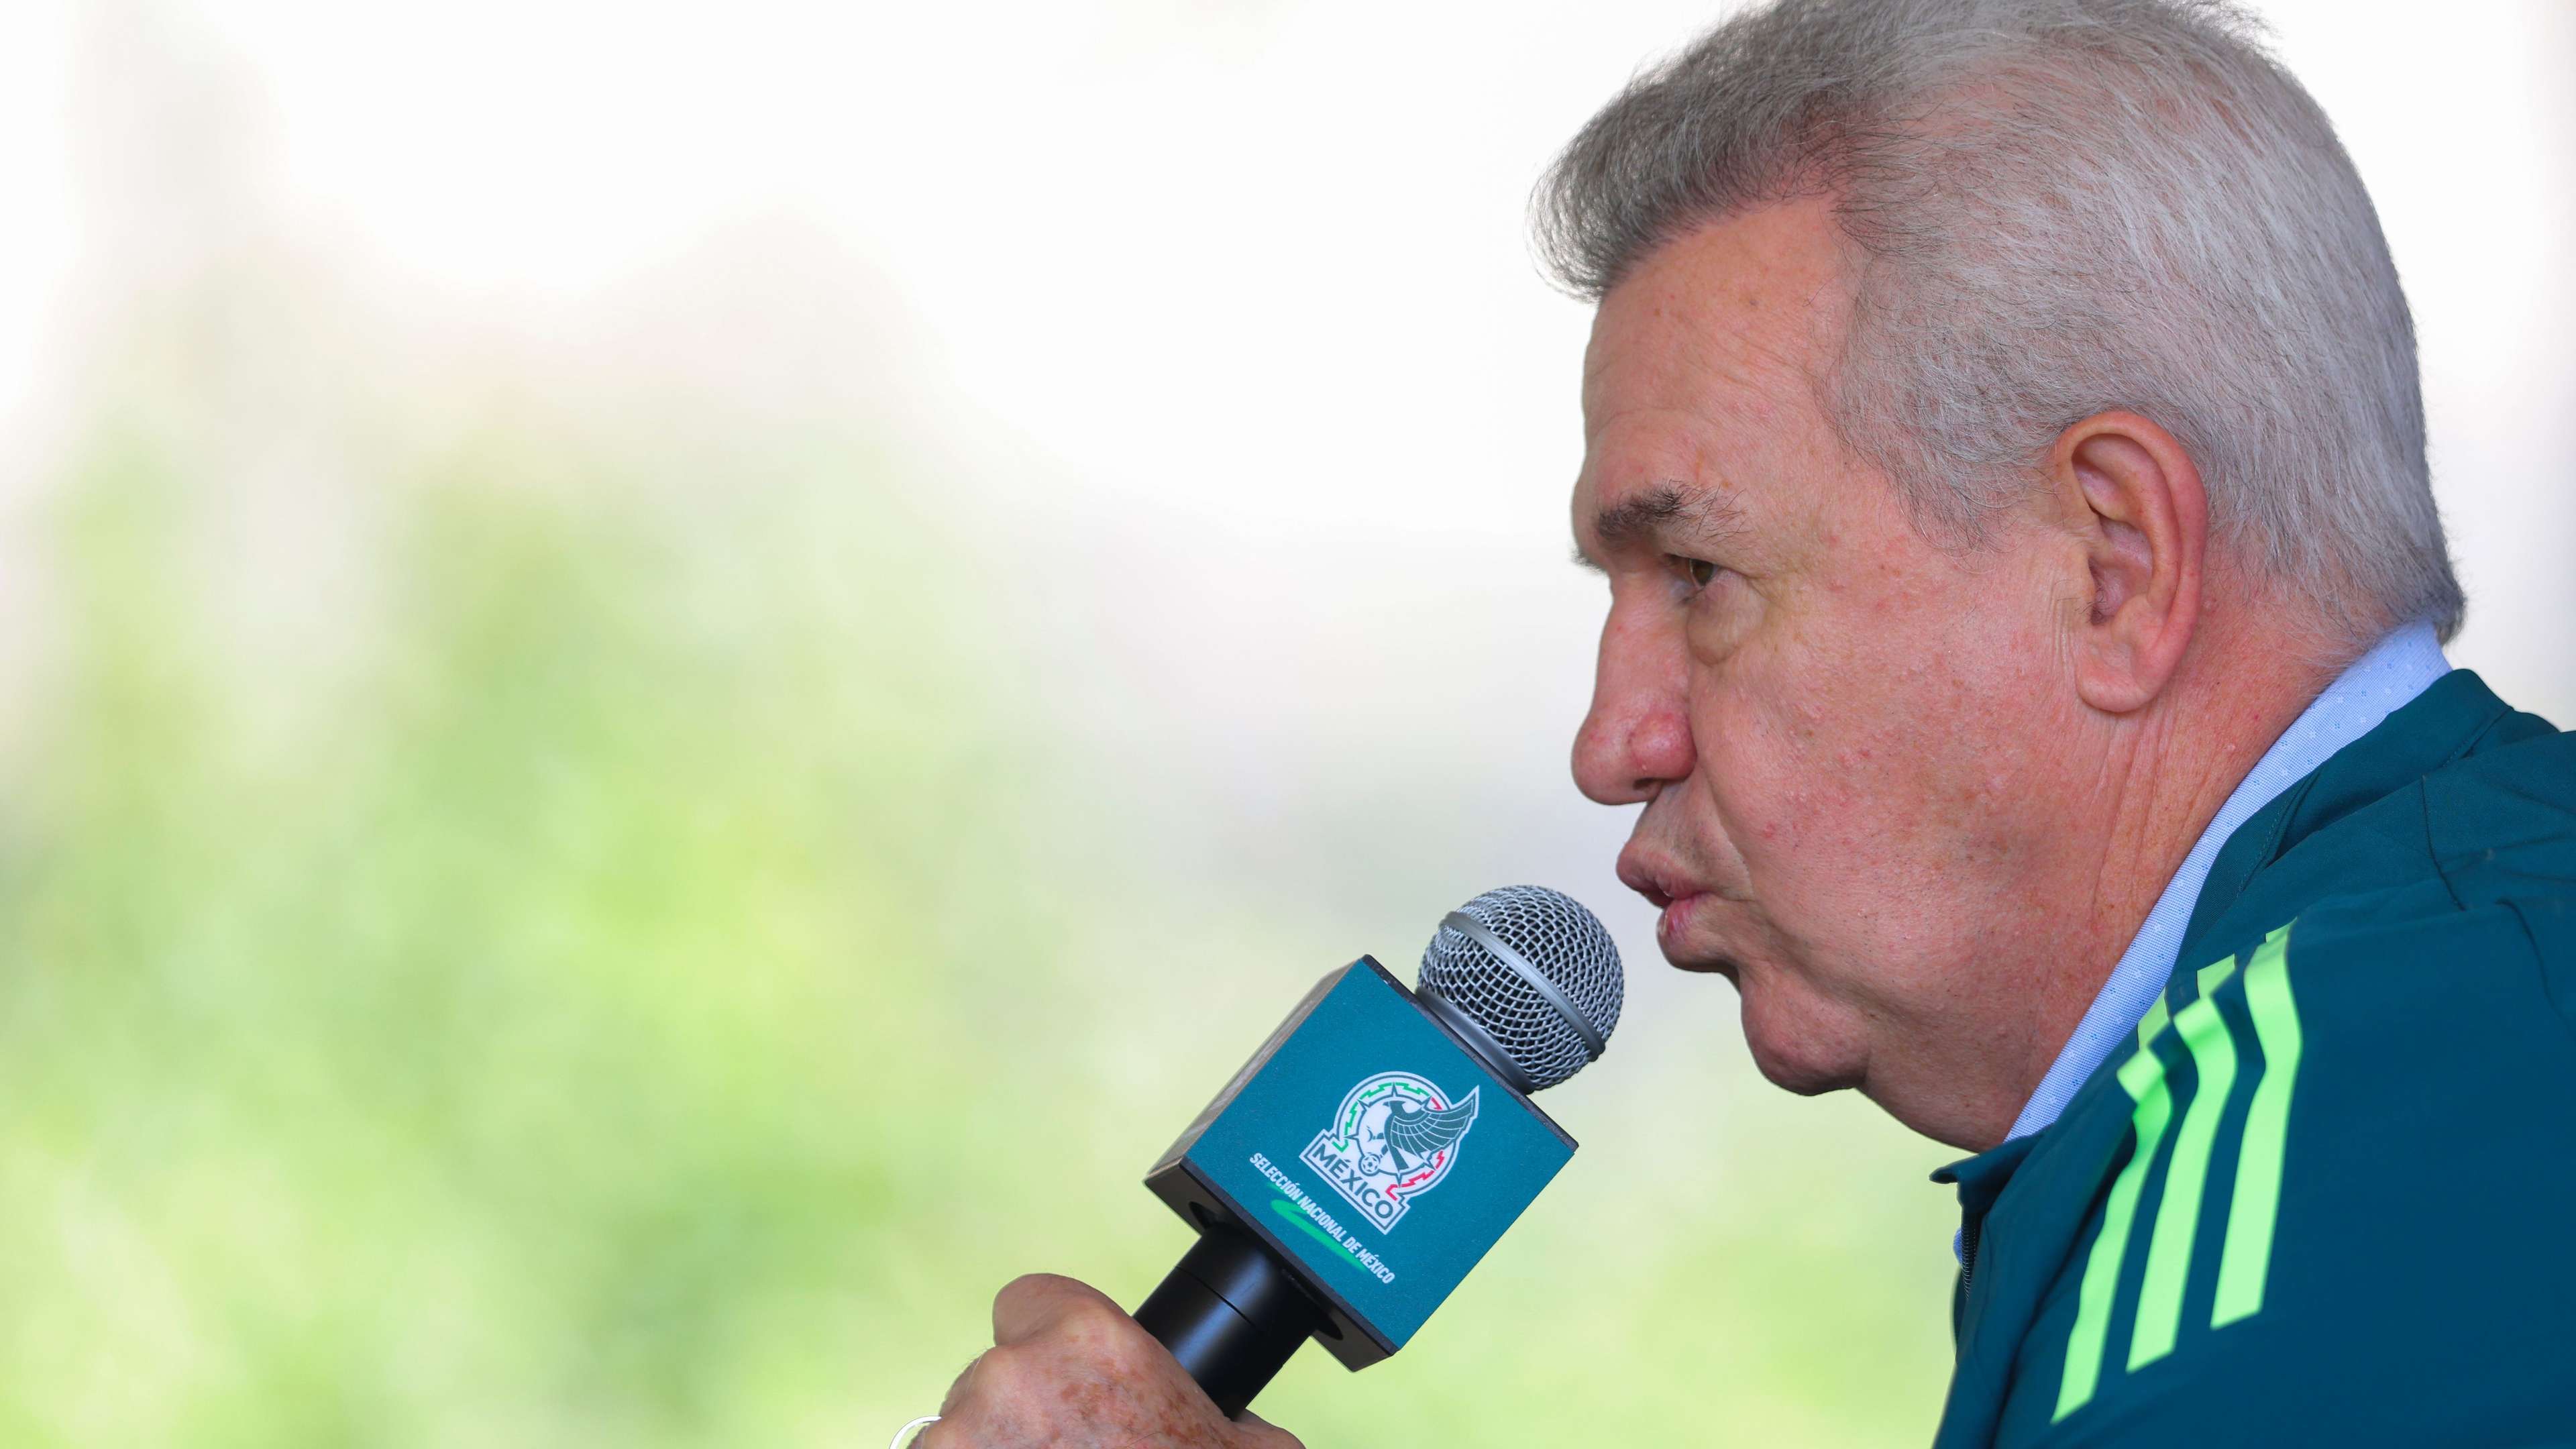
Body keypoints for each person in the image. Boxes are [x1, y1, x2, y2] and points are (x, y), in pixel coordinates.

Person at [919, 0, 2576, 1443]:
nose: (1611, 741)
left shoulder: (2359, 1110)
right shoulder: (2386, 1018)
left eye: (1699, 572)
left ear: (2114, 565)